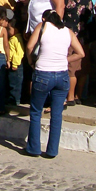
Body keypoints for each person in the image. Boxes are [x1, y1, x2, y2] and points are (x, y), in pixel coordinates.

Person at [25, 9, 85, 158]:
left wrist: (31, 60)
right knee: (57, 114)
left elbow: (29, 46)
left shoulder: (42, 27)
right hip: (62, 76)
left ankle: (34, 148)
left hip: (43, 73)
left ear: (45, 19)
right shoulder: (68, 31)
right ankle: (52, 150)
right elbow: (80, 53)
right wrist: (65, 60)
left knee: (36, 111)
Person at [63, 0, 94, 106]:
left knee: (71, 69)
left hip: (71, 35)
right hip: (84, 36)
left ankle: (70, 97)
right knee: (82, 68)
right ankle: (78, 95)